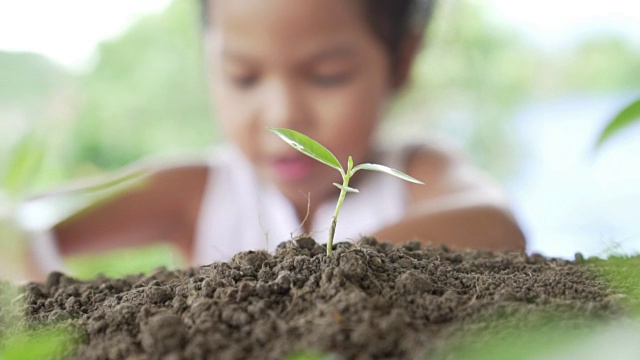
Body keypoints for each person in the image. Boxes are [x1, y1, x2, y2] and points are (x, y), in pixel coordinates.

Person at [25, 0, 525, 279]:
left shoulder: (419, 171)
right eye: (243, 77)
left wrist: (317, 275)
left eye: (327, 76)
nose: (283, 114)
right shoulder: (197, 189)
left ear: (402, 61)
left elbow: (496, 225)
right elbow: (22, 219)